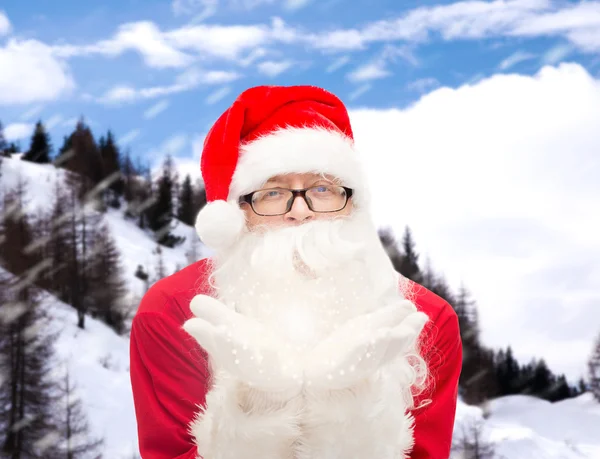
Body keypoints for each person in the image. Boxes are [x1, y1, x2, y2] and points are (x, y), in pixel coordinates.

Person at [129, 85, 462, 459]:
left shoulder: (425, 319)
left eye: (323, 188)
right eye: (272, 193)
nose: (301, 211)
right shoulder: (172, 311)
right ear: (237, 212)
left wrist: (348, 418)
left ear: (352, 203)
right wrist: (259, 411)